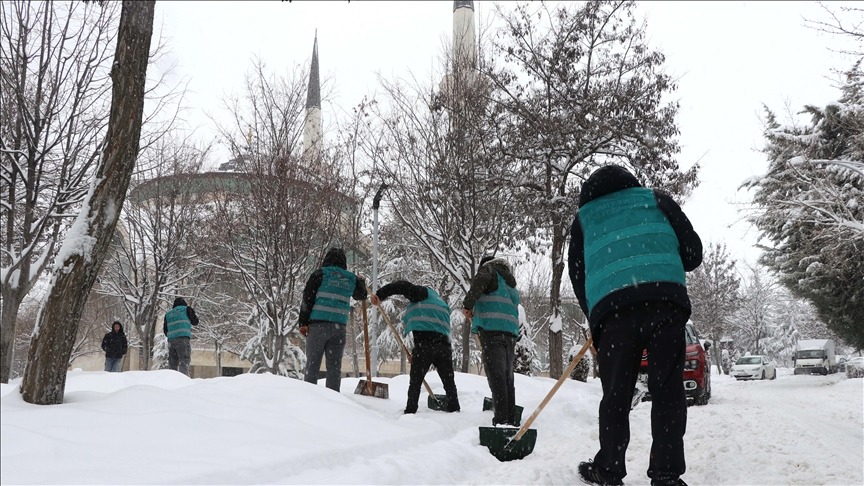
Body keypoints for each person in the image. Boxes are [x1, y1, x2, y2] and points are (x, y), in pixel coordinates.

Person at [568, 165, 703, 486]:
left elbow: (578, 275)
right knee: (668, 389)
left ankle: (609, 470)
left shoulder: (584, 218)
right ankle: (666, 475)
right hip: (664, 302)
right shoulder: (657, 200)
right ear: (631, 183)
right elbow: (693, 254)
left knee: (615, 393)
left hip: (613, 311)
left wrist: (596, 320)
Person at [371, 280, 461, 414]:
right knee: (448, 381)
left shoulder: (422, 293)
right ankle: (454, 409)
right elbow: (437, 330)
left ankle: (410, 411)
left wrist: (380, 295)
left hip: (425, 344)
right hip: (444, 347)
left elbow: (402, 285)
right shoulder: (442, 304)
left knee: (415, 382)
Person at [462, 255, 520, 426]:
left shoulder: (488, 270)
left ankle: (501, 421)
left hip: (492, 332)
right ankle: (510, 418)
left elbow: (482, 279)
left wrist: (468, 305)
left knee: (497, 377)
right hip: (509, 333)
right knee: (507, 377)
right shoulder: (509, 282)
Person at [299, 248, 367, 392]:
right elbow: (361, 295)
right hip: (339, 328)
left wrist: (303, 323)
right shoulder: (351, 278)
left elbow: (307, 298)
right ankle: (334, 400)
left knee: (312, 365)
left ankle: (308, 396)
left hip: (317, 326)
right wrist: (361, 281)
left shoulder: (320, 274)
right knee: (334, 367)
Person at [163, 297, 199, 376]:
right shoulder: (186, 309)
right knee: (184, 361)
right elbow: (195, 322)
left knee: (172, 363)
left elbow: (165, 331)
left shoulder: (168, 314)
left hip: (171, 341)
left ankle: (172, 382)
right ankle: (184, 382)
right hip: (183, 339)